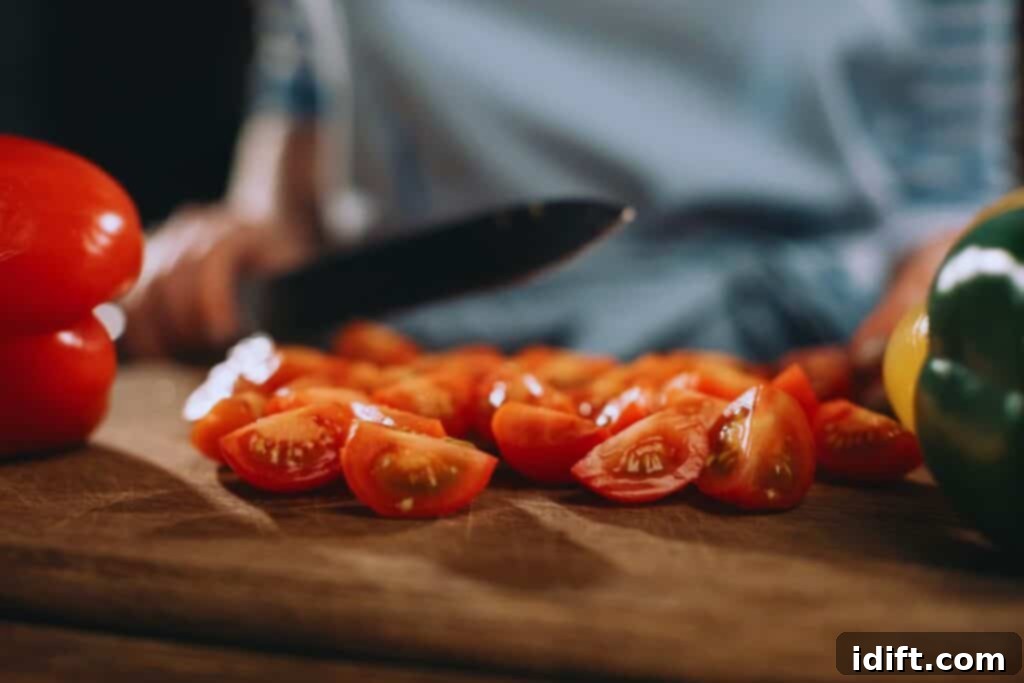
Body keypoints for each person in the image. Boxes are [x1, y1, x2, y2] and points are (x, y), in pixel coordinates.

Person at [122, 0, 1015, 381]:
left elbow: (947, 187)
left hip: (805, 376)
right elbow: (299, 139)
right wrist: (235, 247)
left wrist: (961, 285)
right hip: (382, 362)